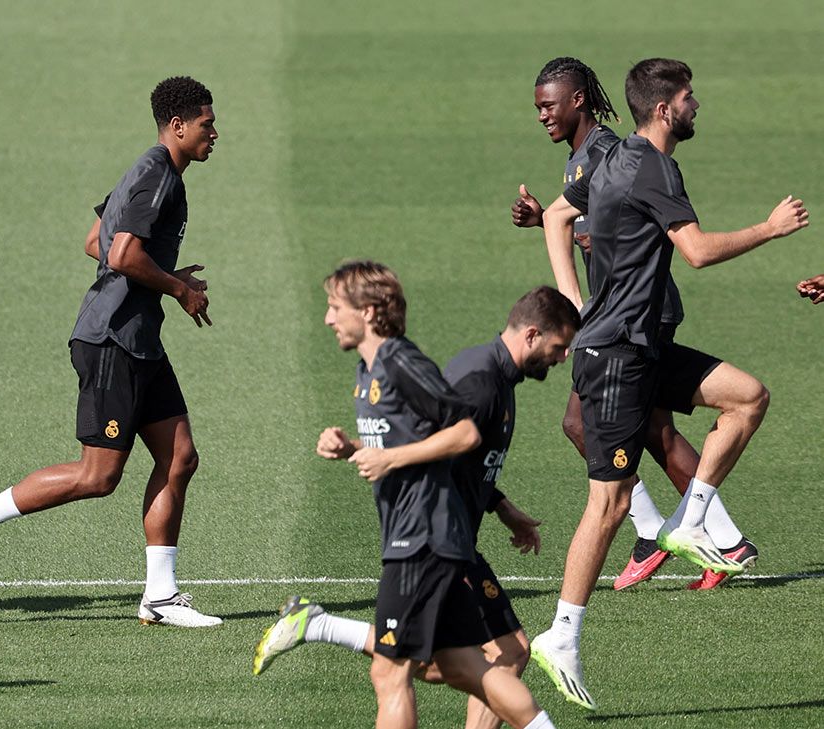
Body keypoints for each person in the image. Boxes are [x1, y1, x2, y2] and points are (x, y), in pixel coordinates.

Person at [530, 58, 809, 711]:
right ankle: (561, 636)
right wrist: (770, 228)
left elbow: (561, 219)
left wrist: (579, 292)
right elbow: (699, 251)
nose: (696, 106)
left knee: (748, 396)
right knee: (608, 504)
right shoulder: (652, 166)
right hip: (619, 357)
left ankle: (690, 518)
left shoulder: (618, 158)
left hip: (642, 345)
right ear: (663, 108)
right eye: (689, 98)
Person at [0, 76, 220, 627]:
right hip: (112, 340)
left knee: (180, 456)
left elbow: (95, 239)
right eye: (207, 124)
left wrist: (162, 273)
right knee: (98, 476)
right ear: (177, 126)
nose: (216, 133)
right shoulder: (156, 174)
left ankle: (160, 596)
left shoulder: (151, 170)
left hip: (139, 339)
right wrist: (178, 288)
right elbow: (118, 252)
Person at [254, 283, 576, 729]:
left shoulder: (491, 376)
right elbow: (442, 442)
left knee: (467, 659)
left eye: (333, 309)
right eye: (560, 348)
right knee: (416, 664)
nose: (563, 359)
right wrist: (370, 454)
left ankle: (316, 624)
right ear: (533, 334)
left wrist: (501, 506)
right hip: (435, 536)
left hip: (442, 534)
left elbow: (455, 454)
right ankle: (317, 625)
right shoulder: (479, 382)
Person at [512, 57, 753, 591]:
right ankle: (686, 532)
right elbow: (579, 221)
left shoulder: (605, 152)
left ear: (578, 100)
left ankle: (702, 536)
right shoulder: (582, 159)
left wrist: (577, 308)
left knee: (634, 427)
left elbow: (627, 226)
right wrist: (554, 229)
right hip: (618, 317)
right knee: (626, 426)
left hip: (639, 314)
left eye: (548, 105)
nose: (542, 116)